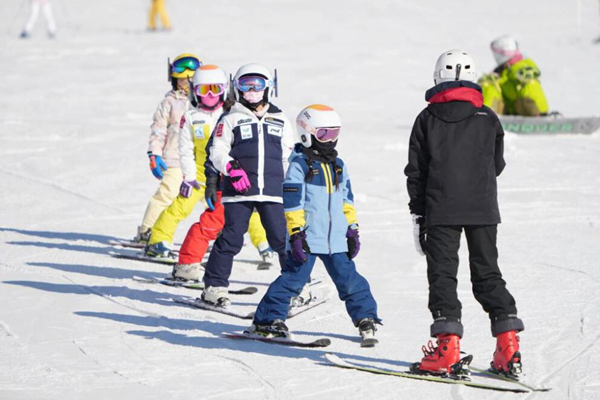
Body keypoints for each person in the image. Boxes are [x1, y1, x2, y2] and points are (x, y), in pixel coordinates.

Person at [404, 50, 525, 377]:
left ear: (437, 78)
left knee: (443, 274)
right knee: (487, 273)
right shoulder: (488, 117)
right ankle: (508, 345)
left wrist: (418, 215)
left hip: (441, 209)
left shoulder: (426, 119)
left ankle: (447, 349)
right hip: (483, 208)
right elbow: (497, 165)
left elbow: (417, 172)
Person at [249, 105, 381, 343]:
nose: (329, 140)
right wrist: (297, 234)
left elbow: (347, 200)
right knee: (293, 280)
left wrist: (352, 229)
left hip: (336, 239)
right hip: (307, 239)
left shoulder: (338, 165)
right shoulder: (299, 166)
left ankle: (365, 317)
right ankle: (267, 319)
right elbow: (292, 204)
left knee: (350, 279)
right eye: (323, 134)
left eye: (333, 134)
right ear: (306, 134)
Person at [200, 63, 295, 306]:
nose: (251, 91)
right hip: (239, 191)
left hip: (273, 192)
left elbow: (288, 156)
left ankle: (294, 285)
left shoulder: (280, 119)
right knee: (231, 238)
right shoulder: (231, 118)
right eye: (245, 85)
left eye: (258, 85)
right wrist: (230, 168)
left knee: (282, 240)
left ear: (269, 87)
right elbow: (216, 150)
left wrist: (292, 186)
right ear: (236, 87)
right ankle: (214, 287)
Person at [133, 54, 199, 245]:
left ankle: (219, 230)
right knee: (167, 192)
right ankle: (147, 229)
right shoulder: (169, 103)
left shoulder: (205, 102)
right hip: (175, 157)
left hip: (199, 160)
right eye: (180, 79)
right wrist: (154, 153)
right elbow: (158, 129)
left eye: (189, 79)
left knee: (208, 195)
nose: (184, 84)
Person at [479, 36, 549, 116]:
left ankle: (541, 115)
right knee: (487, 85)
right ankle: (484, 116)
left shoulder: (521, 65)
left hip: (523, 109)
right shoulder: (500, 71)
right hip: (507, 109)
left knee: (530, 83)